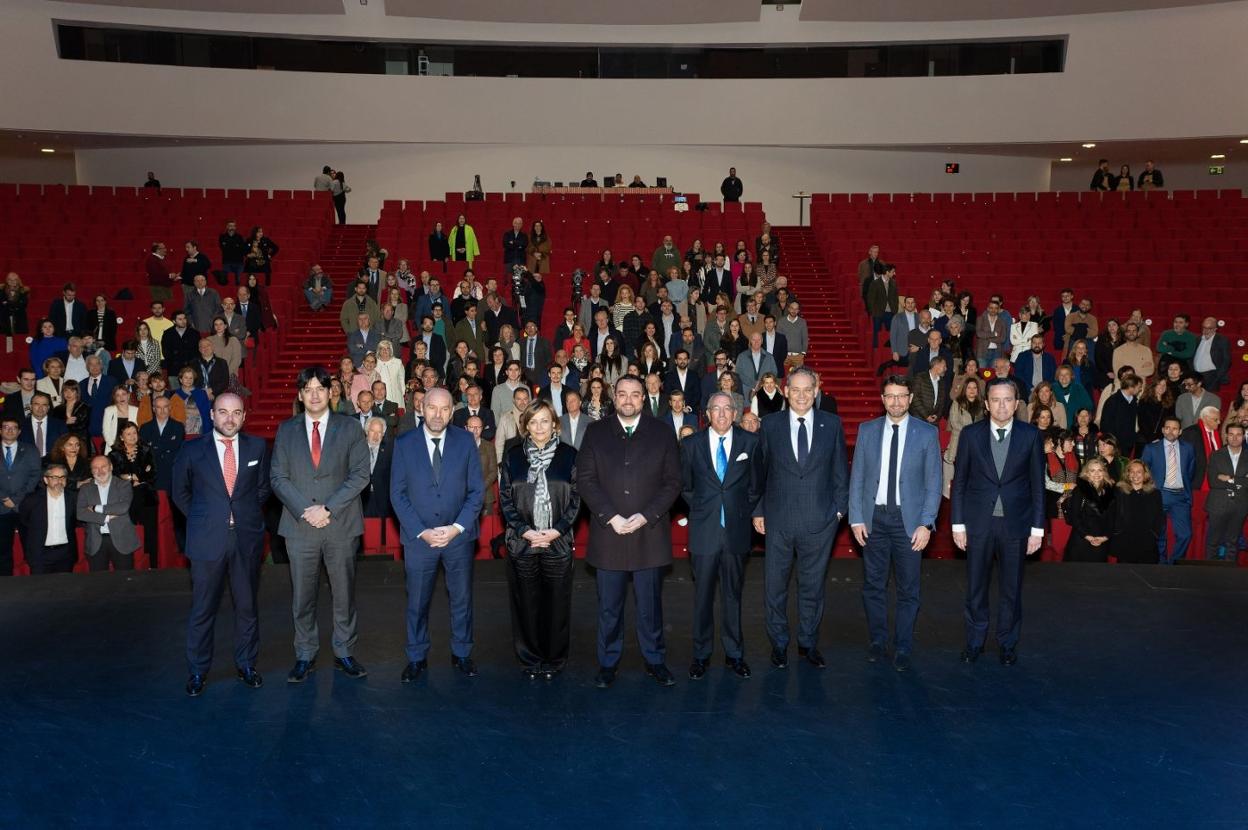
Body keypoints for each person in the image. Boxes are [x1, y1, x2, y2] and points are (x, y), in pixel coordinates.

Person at [576, 376, 682, 688]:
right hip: (609, 534)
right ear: (614, 396)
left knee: (650, 606)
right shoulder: (595, 432)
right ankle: (608, 662)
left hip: (648, 534)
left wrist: (645, 515)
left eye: (635, 394)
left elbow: (673, 482)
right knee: (609, 607)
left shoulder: (662, 432)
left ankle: (655, 660)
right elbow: (585, 479)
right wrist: (610, 516)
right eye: (622, 394)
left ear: (645, 396)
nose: (628, 400)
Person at [270, 367, 371, 682]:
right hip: (299, 528)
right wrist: (305, 510)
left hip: (340, 524)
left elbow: (360, 475)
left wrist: (327, 507)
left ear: (331, 393)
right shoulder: (286, 431)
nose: (314, 394)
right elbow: (278, 478)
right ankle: (305, 653)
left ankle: (344, 652)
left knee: (343, 595)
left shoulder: (351, 428)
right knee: (302, 596)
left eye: (320, 388)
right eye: (308, 389)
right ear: (300, 396)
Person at [172, 393, 270, 697]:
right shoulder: (191, 450)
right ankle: (198, 670)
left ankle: (246, 664)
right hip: (206, 541)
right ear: (212, 415)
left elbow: (263, 489)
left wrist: (243, 516)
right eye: (223, 412)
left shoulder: (257, 447)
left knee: (247, 607)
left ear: (244, 417)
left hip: (246, 539)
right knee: (203, 609)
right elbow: (180, 493)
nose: (230, 418)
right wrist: (206, 519)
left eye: (236, 413)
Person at [752, 367, 849, 669]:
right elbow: (759, 473)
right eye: (796, 389)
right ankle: (779, 643)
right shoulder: (769, 425)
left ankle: (808, 642)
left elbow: (840, 472)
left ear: (816, 391)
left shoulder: (831, 424)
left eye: (808, 389)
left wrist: (838, 511)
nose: (803, 395)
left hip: (820, 523)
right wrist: (757, 511)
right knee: (775, 587)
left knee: (812, 587)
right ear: (785, 391)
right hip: (778, 521)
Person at [849, 375, 942, 670]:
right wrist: (856, 518)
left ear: (911, 398)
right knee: (873, 586)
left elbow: (933, 482)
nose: (896, 401)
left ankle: (903, 645)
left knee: (908, 589)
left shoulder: (927, 433)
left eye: (901, 396)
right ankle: (877, 641)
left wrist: (927, 524)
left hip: (910, 522)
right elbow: (858, 478)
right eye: (890, 396)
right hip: (874, 519)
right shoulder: (867, 430)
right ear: (882, 399)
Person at [391, 387, 484, 681]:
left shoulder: (466, 441)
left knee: (462, 599)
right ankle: (416, 656)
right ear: (422, 408)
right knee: (417, 602)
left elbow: (476, 492)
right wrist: (421, 532)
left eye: (445, 409)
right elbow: (397, 493)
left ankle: (462, 653)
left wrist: (456, 528)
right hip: (420, 540)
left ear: (451, 411)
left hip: (458, 538)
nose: (438, 414)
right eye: (432, 407)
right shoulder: (404, 443)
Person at [951, 378, 1045, 666]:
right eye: (996, 400)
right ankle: (975, 641)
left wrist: (1038, 529)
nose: (1002, 405)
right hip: (978, 524)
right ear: (987, 403)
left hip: (1016, 526)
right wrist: (958, 524)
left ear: (1016, 404)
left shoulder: (1030, 436)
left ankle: (1007, 642)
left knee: (1011, 589)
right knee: (976, 587)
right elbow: (960, 482)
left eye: (1008, 400)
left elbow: (1037, 485)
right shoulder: (970, 434)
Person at [680, 392, 762, 680]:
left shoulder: (750, 443)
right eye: (717, 409)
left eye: (728, 409)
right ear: (707, 413)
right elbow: (686, 487)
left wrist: (740, 511)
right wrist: (704, 510)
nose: (723, 414)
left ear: (735, 413)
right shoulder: (690, 445)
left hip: (736, 532)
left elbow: (756, 485)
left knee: (733, 595)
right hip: (703, 532)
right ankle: (701, 655)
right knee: (702, 597)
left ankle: (734, 654)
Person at [498, 400, 580, 679]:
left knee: (557, 605)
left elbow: (577, 499)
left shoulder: (570, 455)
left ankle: (554, 659)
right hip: (523, 542)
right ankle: (530, 659)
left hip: (557, 541)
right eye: (533, 422)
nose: (539, 427)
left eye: (545, 421)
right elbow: (505, 499)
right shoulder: (513, 456)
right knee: (526, 604)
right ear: (525, 426)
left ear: (555, 423)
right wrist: (526, 531)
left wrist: (556, 530)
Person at [1140, 416, 1195, 564]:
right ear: (1163, 430)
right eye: (1168, 428)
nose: (1171, 431)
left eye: (1175, 428)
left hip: (1180, 497)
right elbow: (1143, 472)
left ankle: (1173, 564)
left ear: (1180, 431)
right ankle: (1161, 564)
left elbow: (1190, 472)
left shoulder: (1188, 448)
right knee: (1159, 535)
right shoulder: (1151, 448)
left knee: (1185, 534)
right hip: (1159, 495)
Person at [77, 454, 141, 572]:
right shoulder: (85, 489)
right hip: (96, 542)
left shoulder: (123, 485)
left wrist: (96, 508)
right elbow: (80, 513)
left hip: (122, 540)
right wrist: (105, 518)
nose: (100, 471)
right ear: (91, 471)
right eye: (95, 468)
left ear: (111, 467)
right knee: (98, 584)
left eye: (103, 466)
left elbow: (122, 508)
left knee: (125, 581)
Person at [18, 464, 77, 575]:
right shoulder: (32, 500)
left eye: (62, 477)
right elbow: (23, 523)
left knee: (64, 590)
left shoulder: (73, 498)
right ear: (45, 480)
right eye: (54, 477)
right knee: (40, 590)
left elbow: (75, 522)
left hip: (65, 554)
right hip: (40, 554)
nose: (59, 481)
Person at [1203, 421, 1247, 560]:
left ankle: (1229, 576)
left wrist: (1228, 479)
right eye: (1231, 434)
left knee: (1232, 543)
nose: (1235, 438)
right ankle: (1209, 576)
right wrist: (1240, 480)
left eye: (1239, 434)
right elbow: (1213, 481)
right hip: (1218, 504)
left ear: (1244, 436)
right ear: (1226, 436)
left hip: (1240, 505)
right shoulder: (1216, 455)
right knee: (1213, 542)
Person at [1110, 460, 1166, 563]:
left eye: (1139, 472)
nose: (1135, 474)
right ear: (1127, 474)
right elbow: (1113, 515)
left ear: (1145, 475)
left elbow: (1159, 517)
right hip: (1125, 542)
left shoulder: (1155, 494)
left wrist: (1153, 535)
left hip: (1147, 543)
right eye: (1132, 471)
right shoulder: (1119, 492)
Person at [1063, 459, 1117, 562]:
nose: (1096, 473)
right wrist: (1087, 536)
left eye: (1100, 470)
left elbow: (1113, 517)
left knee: (1098, 575)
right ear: (1087, 473)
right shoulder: (1079, 490)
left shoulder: (1110, 490)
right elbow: (1075, 516)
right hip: (1081, 540)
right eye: (1092, 470)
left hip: (1101, 540)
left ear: (1104, 472)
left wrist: (1105, 537)